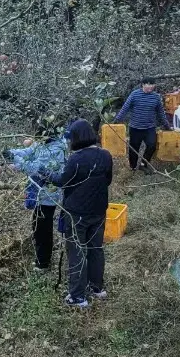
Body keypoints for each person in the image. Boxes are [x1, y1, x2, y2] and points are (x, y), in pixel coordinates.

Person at [50, 119, 113, 308]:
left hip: (77, 213)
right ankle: (97, 287)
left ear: (76, 138)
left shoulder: (75, 159)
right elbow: (107, 181)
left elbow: (62, 181)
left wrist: (46, 174)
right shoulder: (105, 155)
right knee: (95, 248)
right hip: (99, 210)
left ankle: (78, 296)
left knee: (77, 251)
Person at [4, 130, 69, 271]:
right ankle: (42, 259)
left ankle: (43, 263)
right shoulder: (43, 144)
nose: (36, 139)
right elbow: (28, 151)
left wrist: (13, 158)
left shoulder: (55, 149)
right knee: (39, 227)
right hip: (41, 193)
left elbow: (33, 168)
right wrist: (12, 152)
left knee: (42, 229)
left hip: (48, 195)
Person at [114, 77, 171, 171]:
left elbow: (161, 113)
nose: (150, 86)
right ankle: (133, 167)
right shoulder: (134, 94)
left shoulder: (156, 97)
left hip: (149, 127)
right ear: (143, 84)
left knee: (152, 145)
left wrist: (167, 126)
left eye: (152, 84)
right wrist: (117, 120)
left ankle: (143, 164)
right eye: (148, 84)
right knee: (134, 148)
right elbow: (125, 108)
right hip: (135, 127)